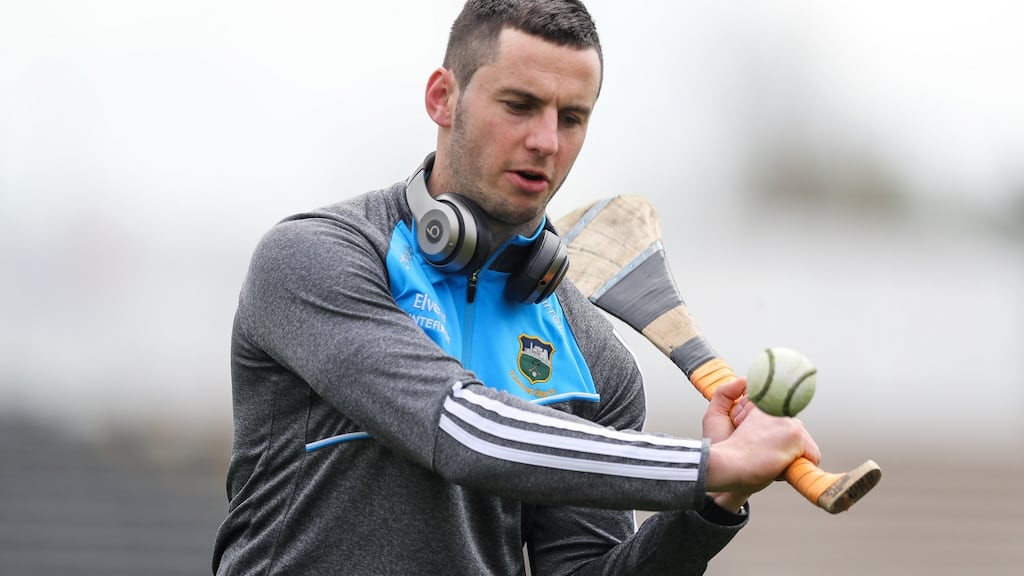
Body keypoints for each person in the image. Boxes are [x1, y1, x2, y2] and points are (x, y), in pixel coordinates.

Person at [212, 1, 820, 574]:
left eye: (571, 117)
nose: (546, 142)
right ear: (443, 97)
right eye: (520, 105)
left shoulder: (592, 354)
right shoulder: (318, 260)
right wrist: (701, 462)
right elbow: (462, 430)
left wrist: (712, 501)